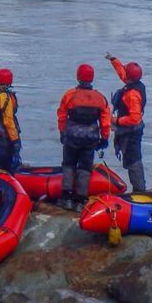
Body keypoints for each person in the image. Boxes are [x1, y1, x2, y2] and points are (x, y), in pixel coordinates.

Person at [56, 64, 112, 211]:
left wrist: (62, 132)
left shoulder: (69, 95)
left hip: (72, 136)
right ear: (91, 78)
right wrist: (105, 138)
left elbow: (61, 116)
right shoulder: (101, 98)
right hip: (91, 138)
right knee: (85, 168)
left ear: (78, 77)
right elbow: (106, 121)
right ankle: (81, 201)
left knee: (69, 164)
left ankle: (66, 197)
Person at [105, 52, 146, 192]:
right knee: (130, 160)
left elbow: (135, 118)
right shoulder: (134, 83)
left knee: (133, 161)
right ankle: (138, 189)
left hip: (132, 132)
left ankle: (140, 190)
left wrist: (116, 120)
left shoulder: (132, 95)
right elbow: (123, 73)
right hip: (129, 130)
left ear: (130, 78)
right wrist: (114, 60)